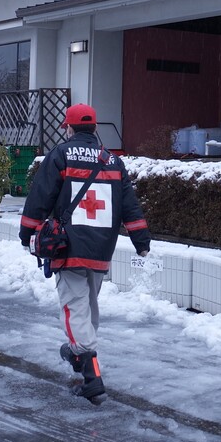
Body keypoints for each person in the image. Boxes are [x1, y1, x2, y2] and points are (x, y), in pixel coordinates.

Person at [19, 103, 151, 404]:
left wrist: (27, 231)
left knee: (74, 306)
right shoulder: (113, 161)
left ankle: (90, 375)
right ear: (94, 128)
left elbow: (41, 196)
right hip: (102, 246)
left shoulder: (61, 155)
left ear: (68, 127)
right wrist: (141, 240)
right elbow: (130, 205)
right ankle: (79, 356)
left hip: (69, 244)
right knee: (88, 305)